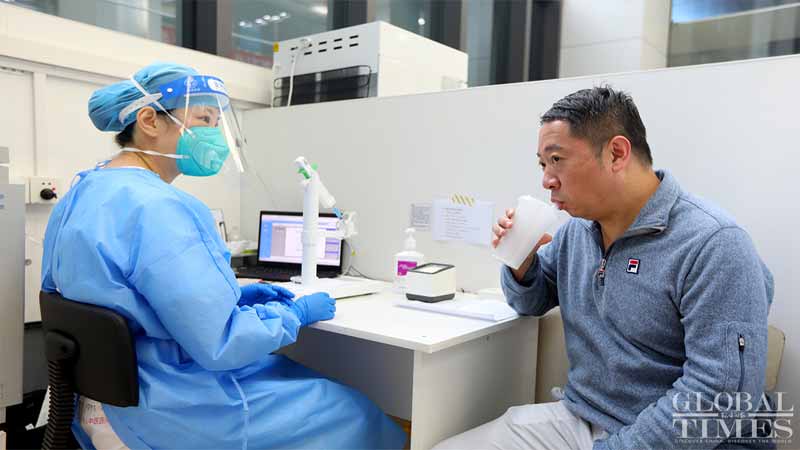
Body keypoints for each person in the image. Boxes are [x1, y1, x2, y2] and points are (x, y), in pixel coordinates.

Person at [41, 62, 406, 450]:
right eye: (203, 119)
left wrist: (234, 295)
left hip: (98, 397)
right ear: (149, 120)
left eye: (217, 122)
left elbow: (114, 292)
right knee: (354, 411)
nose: (213, 134)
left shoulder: (84, 189)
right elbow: (222, 344)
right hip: (171, 404)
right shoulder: (162, 206)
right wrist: (294, 315)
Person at [433, 86, 775, 450]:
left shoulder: (714, 243)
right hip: (581, 420)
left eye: (557, 160)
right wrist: (520, 261)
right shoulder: (576, 232)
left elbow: (717, 399)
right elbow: (530, 302)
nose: (546, 179)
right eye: (542, 164)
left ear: (616, 153)